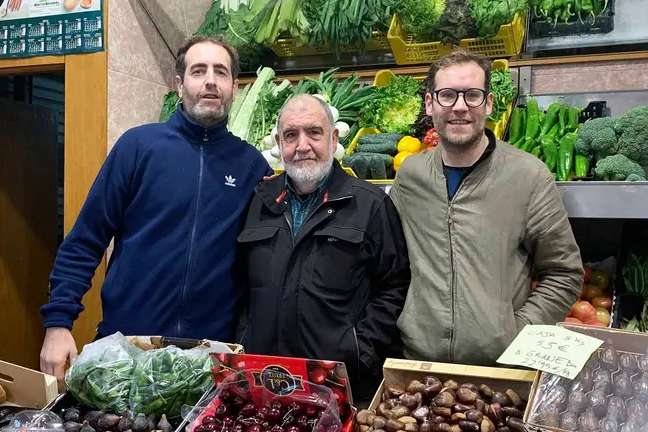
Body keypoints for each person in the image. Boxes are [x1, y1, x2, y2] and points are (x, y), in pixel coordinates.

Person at [39, 35, 271, 389]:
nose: (210, 80)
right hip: (128, 347)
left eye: (221, 72)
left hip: (208, 358)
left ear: (233, 88)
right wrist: (58, 324)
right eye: (198, 70)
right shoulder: (139, 147)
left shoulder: (252, 165)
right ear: (180, 84)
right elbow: (85, 241)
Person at [390, 50, 583, 365]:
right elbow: (388, 264)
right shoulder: (410, 176)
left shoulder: (528, 176)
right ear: (430, 104)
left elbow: (564, 272)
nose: (460, 107)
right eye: (447, 95)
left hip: (499, 370)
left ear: (489, 103)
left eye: (473, 95)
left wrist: (519, 332)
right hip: (418, 365)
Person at [236, 94, 410, 402]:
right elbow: (241, 287)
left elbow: (395, 286)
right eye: (291, 135)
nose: (302, 145)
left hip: (338, 386)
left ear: (332, 139)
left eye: (314, 133)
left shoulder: (371, 205)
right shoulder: (258, 202)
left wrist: (361, 350)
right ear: (279, 143)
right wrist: (243, 339)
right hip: (266, 383)